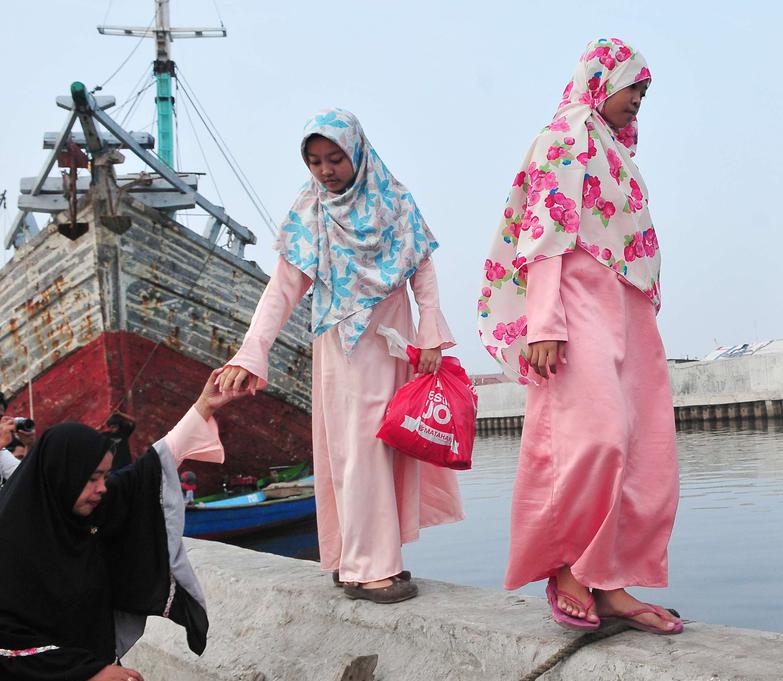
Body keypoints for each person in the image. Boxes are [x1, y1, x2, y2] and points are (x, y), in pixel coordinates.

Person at [216, 109, 462, 604]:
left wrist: (431, 333)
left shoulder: (394, 201)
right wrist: (252, 352)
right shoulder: (311, 212)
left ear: (358, 153)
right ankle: (367, 567)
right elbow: (281, 290)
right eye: (314, 161)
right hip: (343, 347)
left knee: (386, 446)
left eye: (335, 158)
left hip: (393, 341)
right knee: (355, 450)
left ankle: (365, 560)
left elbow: (423, 271)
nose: (326, 170)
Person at [478, 37, 681, 634]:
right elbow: (545, 228)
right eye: (632, 88)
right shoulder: (566, 136)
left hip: (627, 308)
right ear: (600, 79)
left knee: (645, 449)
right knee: (594, 437)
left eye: (645, 93)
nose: (638, 102)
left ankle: (609, 578)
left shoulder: (618, 152)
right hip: (575, 305)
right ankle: (567, 568)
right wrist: (543, 321)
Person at [0, 371, 246, 681]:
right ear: (62, 476)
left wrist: (204, 406)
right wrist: (89, 673)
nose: (102, 487)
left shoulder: (77, 508)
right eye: (92, 478)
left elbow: (148, 472)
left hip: (82, 676)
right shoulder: (9, 542)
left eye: (104, 475)